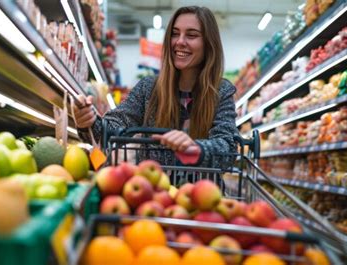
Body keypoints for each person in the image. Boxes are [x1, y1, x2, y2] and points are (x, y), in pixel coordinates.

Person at [74, 6, 237, 167]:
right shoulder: (149, 88)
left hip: (203, 191)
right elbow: (115, 125)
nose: (180, 41)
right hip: (152, 188)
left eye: (191, 35)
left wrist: (196, 149)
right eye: (175, 34)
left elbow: (227, 146)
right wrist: (89, 120)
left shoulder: (221, 91)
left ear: (208, 43)